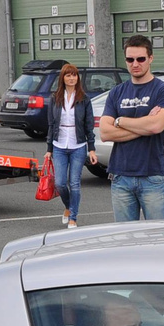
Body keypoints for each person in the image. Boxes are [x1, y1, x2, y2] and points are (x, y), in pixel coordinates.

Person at [98, 35, 164, 222]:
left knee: (158, 238)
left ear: (150, 58)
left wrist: (120, 121)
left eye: (140, 59)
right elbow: (105, 133)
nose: (135, 64)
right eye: (130, 59)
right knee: (125, 241)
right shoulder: (117, 92)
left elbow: (157, 126)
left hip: (152, 177)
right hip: (120, 177)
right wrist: (144, 124)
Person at [44, 64, 98, 228]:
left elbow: (89, 125)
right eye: (68, 75)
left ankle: (73, 217)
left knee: (74, 183)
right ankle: (68, 206)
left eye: (74, 75)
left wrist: (92, 148)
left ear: (77, 78)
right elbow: (51, 124)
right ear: (63, 78)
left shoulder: (84, 99)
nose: (72, 78)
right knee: (60, 183)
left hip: (78, 145)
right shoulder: (55, 98)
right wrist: (48, 150)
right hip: (59, 144)